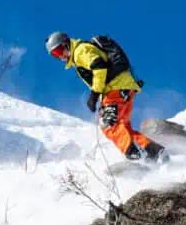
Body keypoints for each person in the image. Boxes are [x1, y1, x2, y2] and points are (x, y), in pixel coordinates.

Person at [45, 31, 167, 163]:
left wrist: (94, 94)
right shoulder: (78, 54)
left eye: (58, 51)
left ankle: (138, 156)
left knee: (108, 124)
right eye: (54, 55)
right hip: (124, 89)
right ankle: (156, 152)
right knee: (123, 129)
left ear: (66, 44)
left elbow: (99, 67)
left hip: (115, 89)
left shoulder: (80, 51)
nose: (59, 56)